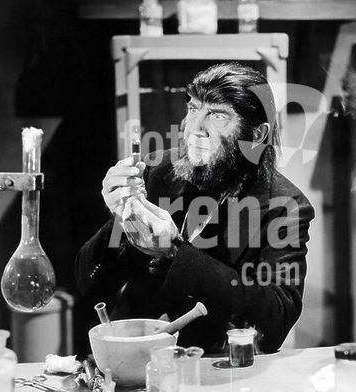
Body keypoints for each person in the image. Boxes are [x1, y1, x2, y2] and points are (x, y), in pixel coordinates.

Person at [75, 63, 314, 354]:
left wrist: (174, 252)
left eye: (217, 115)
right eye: (193, 108)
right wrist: (122, 221)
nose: (195, 128)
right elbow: (89, 284)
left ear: (257, 134)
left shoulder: (285, 206)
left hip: (216, 366)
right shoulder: (157, 171)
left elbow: (274, 323)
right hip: (134, 360)